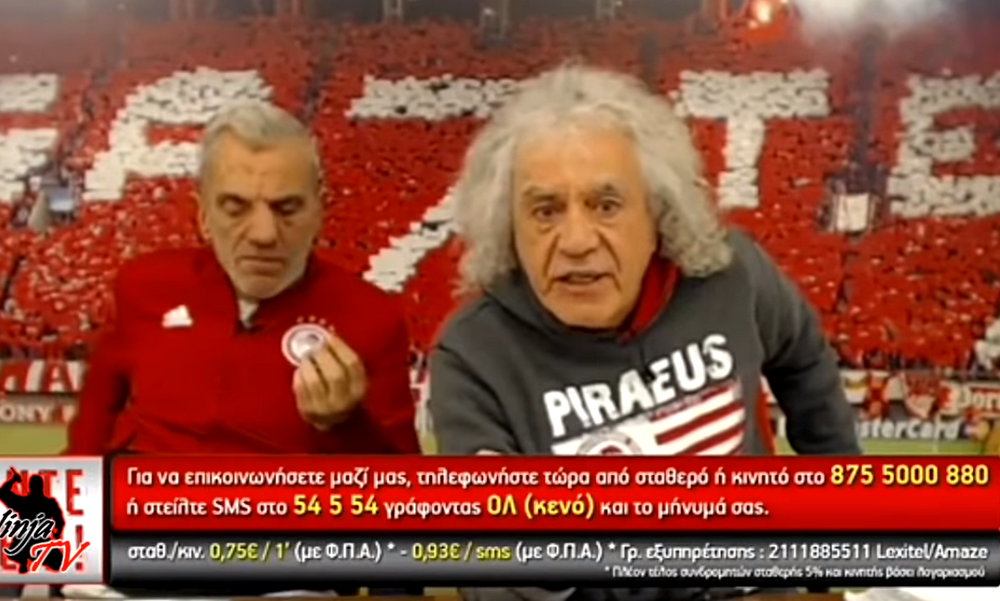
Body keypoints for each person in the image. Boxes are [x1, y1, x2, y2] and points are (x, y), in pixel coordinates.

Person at [428, 64, 860, 601]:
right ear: (508, 228)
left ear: (658, 215)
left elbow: (805, 360)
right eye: (545, 210)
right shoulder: (472, 356)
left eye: (606, 205)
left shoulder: (732, 275)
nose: (576, 241)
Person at [67, 101, 420, 456]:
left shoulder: (372, 318)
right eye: (236, 208)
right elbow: (93, 424)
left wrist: (347, 426)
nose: (264, 234)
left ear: (319, 210)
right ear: (203, 214)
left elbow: (403, 485)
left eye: (287, 209)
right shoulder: (144, 285)